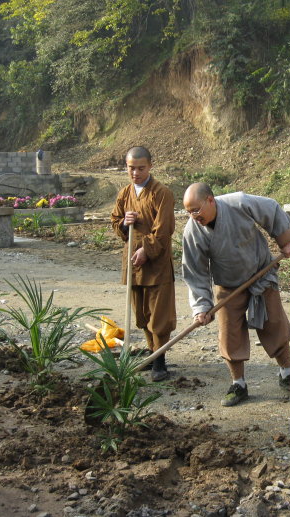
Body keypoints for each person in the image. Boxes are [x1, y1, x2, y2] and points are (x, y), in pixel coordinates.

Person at [181, 183, 290, 407]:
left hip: (261, 273)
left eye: (196, 209)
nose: (194, 216)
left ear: (210, 200)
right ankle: (239, 384)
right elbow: (195, 272)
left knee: (274, 323)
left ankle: (287, 373)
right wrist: (202, 307)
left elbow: (271, 209)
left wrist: (286, 241)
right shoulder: (192, 231)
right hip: (228, 285)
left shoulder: (239, 202)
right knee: (229, 333)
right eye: (188, 212)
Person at [110, 146, 176, 382]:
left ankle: (160, 362)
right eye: (131, 168)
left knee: (159, 315)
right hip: (134, 264)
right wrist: (123, 222)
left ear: (150, 166)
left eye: (141, 168)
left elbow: (164, 229)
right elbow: (116, 221)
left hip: (156, 265)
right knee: (142, 313)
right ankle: (150, 354)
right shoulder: (125, 193)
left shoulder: (161, 193)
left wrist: (146, 251)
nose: (135, 173)